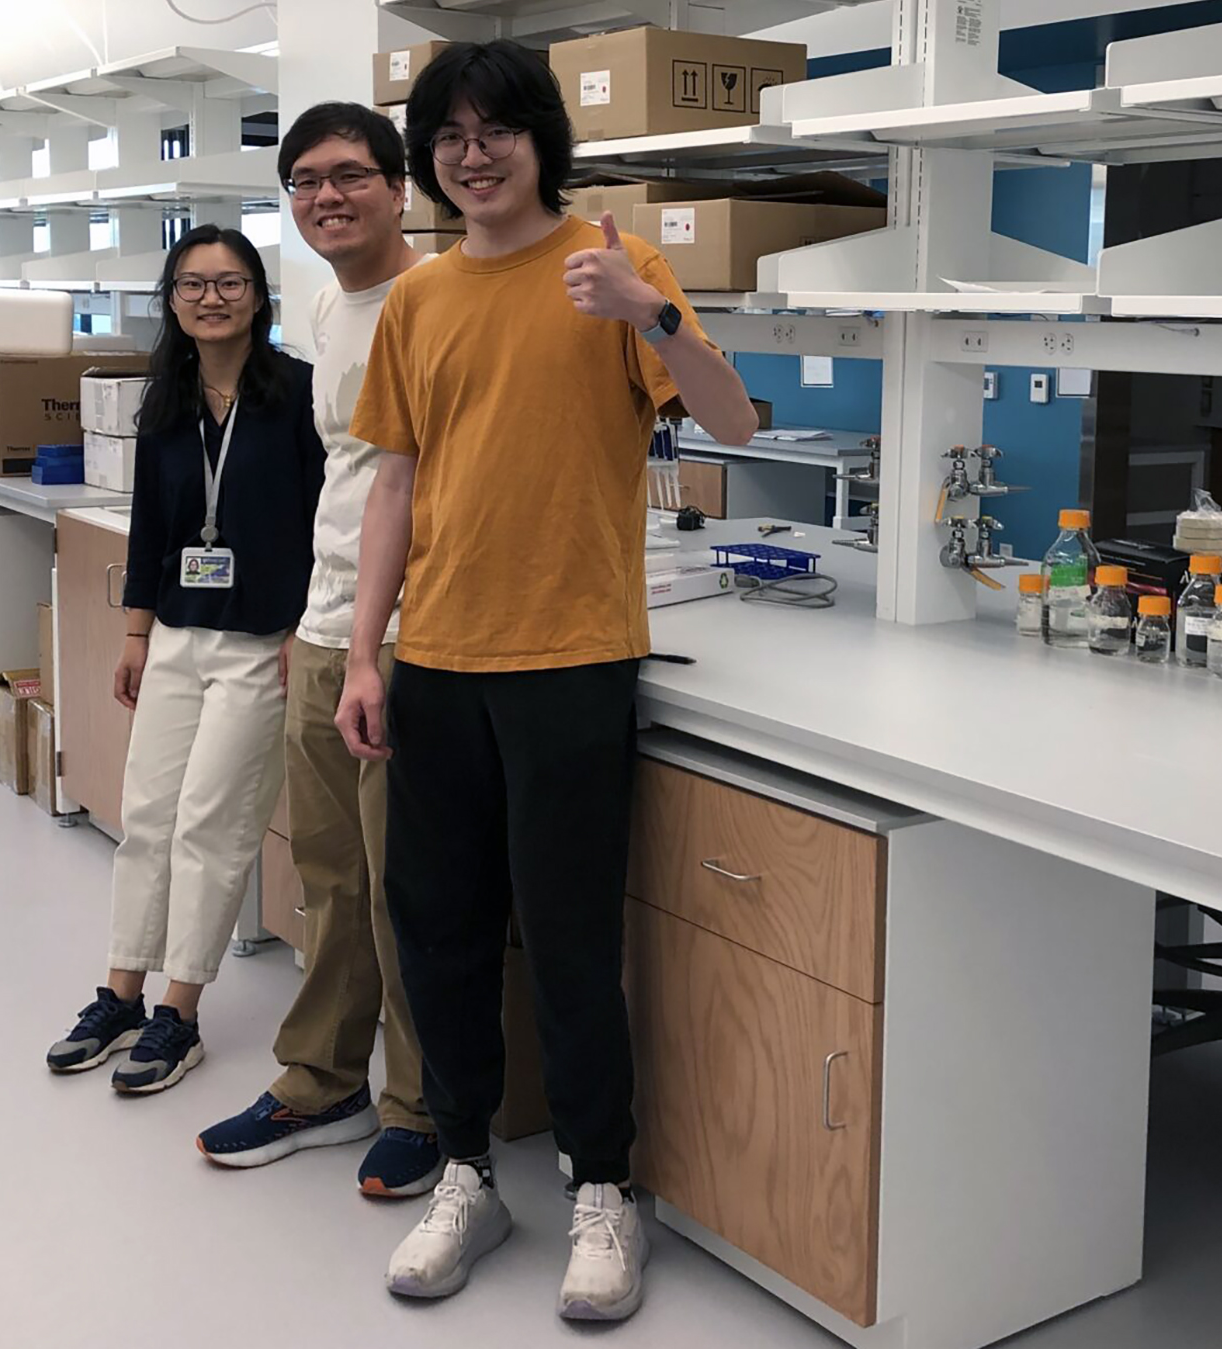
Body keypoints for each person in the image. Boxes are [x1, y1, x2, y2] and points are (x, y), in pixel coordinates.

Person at [339, 40, 758, 1323]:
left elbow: (735, 422)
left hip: (570, 658)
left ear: (539, 140)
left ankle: (602, 1185)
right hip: (437, 662)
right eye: (448, 135)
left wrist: (653, 316)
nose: (473, 153)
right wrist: (365, 651)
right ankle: (467, 1167)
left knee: (573, 942)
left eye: (496, 128)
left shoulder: (615, 269)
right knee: (443, 936)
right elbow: (394, 487)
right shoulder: (416, 299)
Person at [194, 104, 445, 1193]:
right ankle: (324, 1075)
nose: (325, 197)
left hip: (410, 634)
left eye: (349, 175)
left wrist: (381, 640)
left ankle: (425, 1103)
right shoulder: (325, 308)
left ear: (401, 186)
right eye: (304, 181)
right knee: (332, 874)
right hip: (326, 626)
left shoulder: (440, 299)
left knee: (409, 884)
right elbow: (348, 478)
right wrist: (314, 618)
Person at [45, 224, 325, 1094]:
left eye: (230, 282)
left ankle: (180, 1012)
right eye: (194, 283)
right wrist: (135, 634)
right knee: (148, 814)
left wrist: (303, 630)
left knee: (213, 822)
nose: (212, 297)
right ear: (171, 298)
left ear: (257, 295)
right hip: (174, 634)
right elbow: (154, 527)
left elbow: (328, 524)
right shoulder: (162, 406)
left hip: (259, 640)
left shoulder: (299, 398)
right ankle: (121, 991)